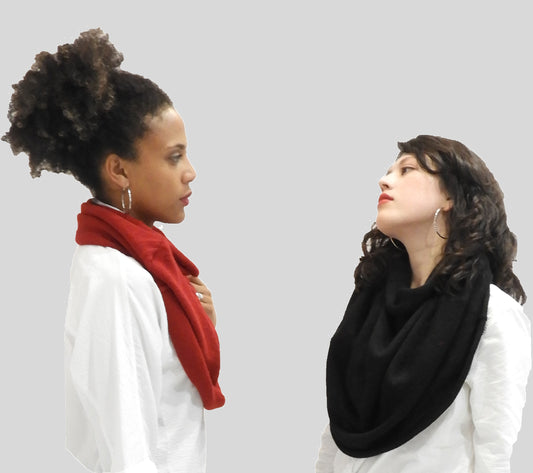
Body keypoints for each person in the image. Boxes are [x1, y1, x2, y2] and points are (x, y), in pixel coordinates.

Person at [3, 29, 224, 473]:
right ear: (119, 170)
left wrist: (197, 324)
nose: (190, 172)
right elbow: (129, 455)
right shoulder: (117, 278)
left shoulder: (137, 266)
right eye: (174, 157)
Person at [316, 135, 531, 473]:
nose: (384, 180)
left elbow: (494, 451)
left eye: (407, 170)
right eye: (390, 171)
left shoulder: (493, 315)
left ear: (450, 196)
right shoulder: (368, 306)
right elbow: (339, 428)